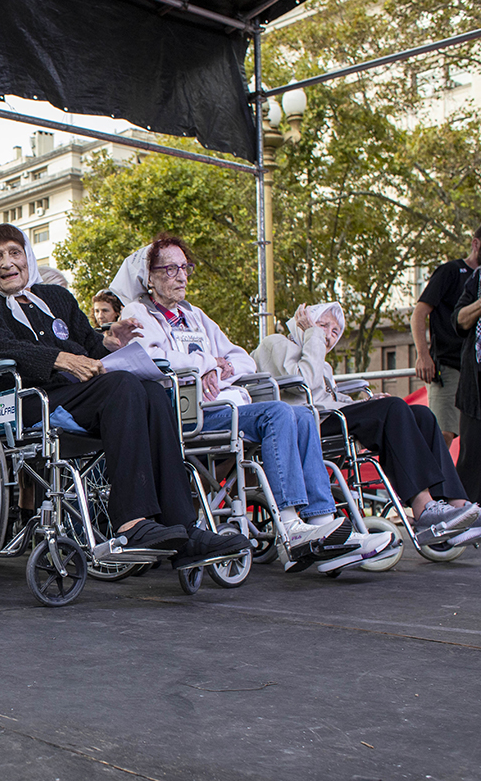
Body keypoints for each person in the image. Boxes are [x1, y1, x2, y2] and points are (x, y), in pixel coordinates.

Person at [0, 223, 250, 569]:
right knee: (124, 387)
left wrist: (114, 341)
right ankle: (130, 523)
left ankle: (185, 527)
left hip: (81, 394)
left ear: (28, 256)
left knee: (154, 392)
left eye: (14, 252)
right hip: (30, 398)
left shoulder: (57, 298)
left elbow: (92, 347)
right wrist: (58, 358)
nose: (7, 262)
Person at [112, 233, 393, 574]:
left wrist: (219, 364)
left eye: (185, 267)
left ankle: (323, 521)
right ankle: (290, 527)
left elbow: (242, 358)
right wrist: (207, 363)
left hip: (221, 406)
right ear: (149, 277)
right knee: (277, 412)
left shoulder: (195, 315)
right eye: (170, 269)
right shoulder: (138, 311)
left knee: (303, 414)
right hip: (183, 411)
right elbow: (152, 356)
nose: (181, 276)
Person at [254, 302, 479, 545]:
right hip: (305, 423)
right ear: (303, 321)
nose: (329, 335)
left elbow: (329, 398)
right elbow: (304, 383)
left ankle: (457, 504)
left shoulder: (320, 358)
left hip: (329, 416)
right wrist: (313, 335)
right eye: (323, 325)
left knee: (421, 415)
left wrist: (366, 402)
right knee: (394, 408)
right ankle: (423, 507)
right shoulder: (276, 343)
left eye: (334, 331)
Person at [412, 230, 480, 446]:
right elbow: (419, 313)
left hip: (475, 369)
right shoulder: (451, 271)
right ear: (476, 243)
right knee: (444, 433)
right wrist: (423, 355)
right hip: (449, 366)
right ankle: (438, 479)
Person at [453, 264, 481, 503]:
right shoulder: (477, 278)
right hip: (475, 385)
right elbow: (460, 320)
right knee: (471, 455)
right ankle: (467, 514)